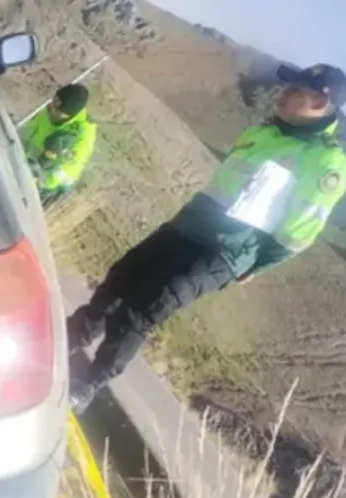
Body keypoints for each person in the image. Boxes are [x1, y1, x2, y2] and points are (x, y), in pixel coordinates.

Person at [67, 63, 346, 413]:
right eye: (287, 87)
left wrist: (252, 266)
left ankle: (88, 385)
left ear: (321, 103)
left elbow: (299, 232)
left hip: (223, 253)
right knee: (117, 281)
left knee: (140, 312)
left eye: (296, 91)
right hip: (186, 226)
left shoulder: (326, 162)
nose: (284, 94)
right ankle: (70, 339)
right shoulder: (265, 132)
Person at [22, 84, 98, 208]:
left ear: (69, 115)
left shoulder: (81, 137)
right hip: (28, 164)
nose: (51, 110)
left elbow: (61, 172)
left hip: (48, 187)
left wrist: (37, 179)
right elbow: (29, 130)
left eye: (58, 111)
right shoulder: (52, 108)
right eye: (53, 104)